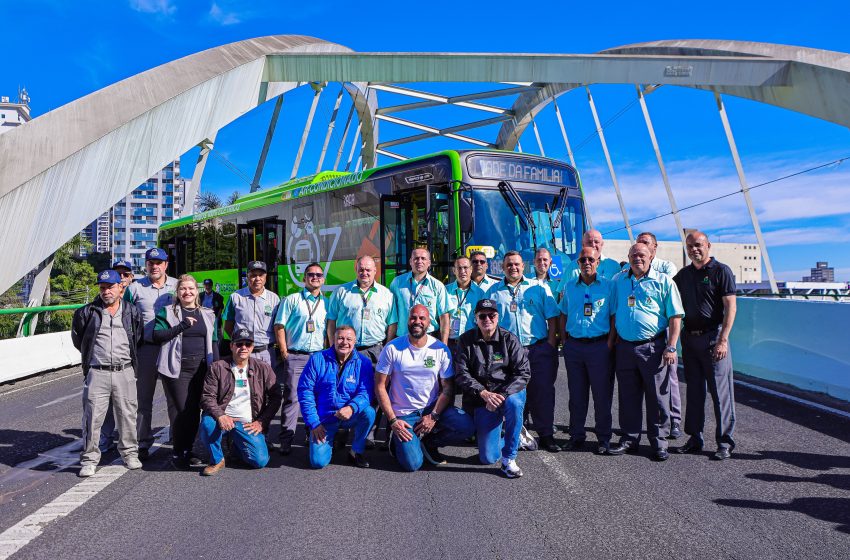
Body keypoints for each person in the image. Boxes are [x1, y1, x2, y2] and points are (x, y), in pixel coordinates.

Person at [375, 305, 474, 472]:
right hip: (404, 414)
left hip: (431, 409)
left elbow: (447, 388)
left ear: (429, 323)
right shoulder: (392, 348)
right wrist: (392, 421)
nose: (417, 321)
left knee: (466, 426)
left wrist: (434, 415)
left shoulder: (440, 349)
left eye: (422, 318)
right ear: (407, 321)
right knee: (412, 464)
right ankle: (396, 441)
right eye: (413, 318)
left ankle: (429, 443)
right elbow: (380, 386)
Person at [610, 243, 685, 461]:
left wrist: (671, 346)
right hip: (625, 347)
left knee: (657, 397)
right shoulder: (619, 281)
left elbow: (675, 316)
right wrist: (612, 342)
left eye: (642, 255)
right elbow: (614, 312)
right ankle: (629, 438)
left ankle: (659, 442)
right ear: (628, 258)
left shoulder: (664, 281)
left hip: (653, 347)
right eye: (633, 255)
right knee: (628, 396)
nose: (638, 258)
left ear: (651, 256)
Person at [485, 251, 561, 452]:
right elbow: (487, 323)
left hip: (538, 348)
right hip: (509, 353)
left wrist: (551, 343)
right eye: (509, 265)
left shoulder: (539, 287)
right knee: (513, 393)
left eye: (517, 264)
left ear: (523, 266)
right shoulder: (493, 292)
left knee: (542, 393)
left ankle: (546, 434)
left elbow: (552, 317)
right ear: (503, 268)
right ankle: (517, 434)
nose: (513, 268)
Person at [72, 269, 144, 477]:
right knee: (92, 418)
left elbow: (137, 338)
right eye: (102, 288)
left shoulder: (132, 311)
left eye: (110, 287)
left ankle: (130, 454)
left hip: (124, 370)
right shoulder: (86, 312)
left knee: (127, 415)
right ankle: (89, 459)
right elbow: (79, 340)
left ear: (120, 287)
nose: (106, 292)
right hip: (98, 371)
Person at [673, 231, 737, 460]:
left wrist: (723, 340)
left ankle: (724, 442)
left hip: (713, 339)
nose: (694, 249)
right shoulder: (683, 275)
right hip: (690, 339)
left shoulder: (721, 271)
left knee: (721, 393)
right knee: (694, 391)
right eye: (690, 246)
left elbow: (730, 307)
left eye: (698, 245)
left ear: (708, 245)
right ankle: (695, 437)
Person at [454, 299, 530, 478]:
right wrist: (483, 393)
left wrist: (501, 395)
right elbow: (461, 374)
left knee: (515, 403)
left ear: (498, 317)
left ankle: (509, 459)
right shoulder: (465, 340)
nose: (487, 319)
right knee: (488, 457)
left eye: (491, 315)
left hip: (507, 394)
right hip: (482, 399)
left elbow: (523, 373)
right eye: (482, 316)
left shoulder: (509, 339)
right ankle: (516, 435)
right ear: (475, 318)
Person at [152, 274, 216, 469]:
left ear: (197, 291)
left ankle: (189, 450)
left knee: (195, 411)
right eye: (183, 289)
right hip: (178, 368)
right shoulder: (167, 312)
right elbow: (157, 335)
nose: (187, 292)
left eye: (191, 288)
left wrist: (216, 367)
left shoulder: (208, 313)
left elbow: (214, 340)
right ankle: (178, 452)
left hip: (202, 368)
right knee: (183, 411)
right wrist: (182, 326)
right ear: (177, 292)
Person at [199, 329, 282, 475]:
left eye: (247, 344)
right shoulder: (217, 367)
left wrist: (262, 421)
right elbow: (207, 397)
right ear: (231, 346)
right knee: (207, 423)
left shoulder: (263, 368)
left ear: (252, 347)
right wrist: (220, 415)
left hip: (247, 423)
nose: (243, 347)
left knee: (260, 461)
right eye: (239, 344)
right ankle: (217, 459)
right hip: (222, 418)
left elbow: (276, 397)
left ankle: (235, 445)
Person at [558, 247, 616, 454]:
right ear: (578, 264)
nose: (587, 263)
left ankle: (603, 438)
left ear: (598, 262)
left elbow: (613, 316)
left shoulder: (608, 286)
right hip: (574, 347)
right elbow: (563, 313)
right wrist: (564, 340)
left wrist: (609, 343)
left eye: (591, 259)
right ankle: (576, 436)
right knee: (576, 396)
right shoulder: (569, 286)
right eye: (583, 260)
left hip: (599, 347)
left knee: (602, 396)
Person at [627, 231, 683, 439]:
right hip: (631, 340)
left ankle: (671, 424)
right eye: (638, 245)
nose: (640, 252)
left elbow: (672, 310)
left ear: (654, 249)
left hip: (659, 333)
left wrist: (671, 345)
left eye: (645, 244)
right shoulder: (625, 275)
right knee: (631, 391)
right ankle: (632, 435)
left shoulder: (666, 270)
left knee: (665, 383)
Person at [124, 247, 178, 460]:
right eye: (151, 263)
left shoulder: (177, 286)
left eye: (159, 263)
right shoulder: (135, 288)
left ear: (166, 264)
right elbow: (125, 318)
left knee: (174, 398)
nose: (154, 266)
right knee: (142, 400)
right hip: (146, 349)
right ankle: (142, 442)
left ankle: (178, 440)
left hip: (171, 348)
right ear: (145, 265)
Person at [297, 325, 375, 469]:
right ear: (333, 339)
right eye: (340, 338)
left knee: (369, 412)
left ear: (355, 341)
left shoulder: (364, 363)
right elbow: (305, 391)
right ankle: (335, 437)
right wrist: (314, 423)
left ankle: (356, 451)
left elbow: (366, 392)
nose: (344, 342)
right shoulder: (317, 359)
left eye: (349, 339)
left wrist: (352, 408)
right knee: (318, 462)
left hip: (348, 415)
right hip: (324, 419)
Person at [274, 262, 328, 455]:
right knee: (292, 398)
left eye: (319, 275)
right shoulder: (292, 300)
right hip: (296, 355)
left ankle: (310, 434)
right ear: (304, 278)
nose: (315, 277)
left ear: (323, 279)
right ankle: (286, 439)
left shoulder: (327, 303)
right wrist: (284, 352)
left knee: (316, 398)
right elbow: (279, 326)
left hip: (318, 357)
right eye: (311, 274)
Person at [326, 255, 394, 365]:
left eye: (368, 270)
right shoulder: (341, 291)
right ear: (356, 270)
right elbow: (331, 321)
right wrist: (333, 347)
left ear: (375, 271)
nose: (364, 273)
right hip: (347, 350)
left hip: (376, 351)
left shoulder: (387, 294)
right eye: (361, 270)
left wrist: (387, 348)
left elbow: (392, 323)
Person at [98, 258, 135, 454]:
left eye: (125, 274)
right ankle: (105, 439)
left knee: (129, 405)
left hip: (129, 360)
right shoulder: (101, 300)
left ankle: (131, 444)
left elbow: (138, 330)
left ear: (131, 277)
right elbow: (83, 336)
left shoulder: (135, 295)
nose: (121, 277)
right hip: (105, 363)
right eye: (117, 274)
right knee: (105, 404)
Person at [387, 247, 452, 344]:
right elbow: (392, 316)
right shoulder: (397, 283)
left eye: (423, 258)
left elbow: (444, 317)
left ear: (429, 263)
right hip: (403, 338)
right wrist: (389, 343)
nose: (419, 261)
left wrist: (444, 345)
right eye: (416, 258)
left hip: (429, 339)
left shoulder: (438, 286)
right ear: (410, 261)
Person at [223, 261, 281, 368]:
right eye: (253, 275)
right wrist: (240, 342)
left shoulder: (274, 299)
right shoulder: (235, 297)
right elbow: (228, 326)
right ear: (247, 277)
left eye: (261, 275)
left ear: (265, 277)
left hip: (267, 353)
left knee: (267, 379)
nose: (257, 278)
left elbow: (278, 327)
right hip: (243, 352)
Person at [445, 256, 485, 358]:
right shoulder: (445, 291)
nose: (462, 271)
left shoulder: (480, 293)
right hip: (451, 343)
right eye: (459, 268)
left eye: (465, 268)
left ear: (471, 270)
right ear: (454, 270)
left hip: (472, 343)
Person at [200, 279, 224, 361]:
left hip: (215, 320)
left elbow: (221, 308)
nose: (207, 287)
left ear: (212, 285)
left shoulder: (218, 296)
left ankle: (217, 355)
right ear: (204, 286)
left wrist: (217, 318)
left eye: (209, 285)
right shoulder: (199, 296)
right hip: (203, 320)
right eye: (206, 285)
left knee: (217, 338)